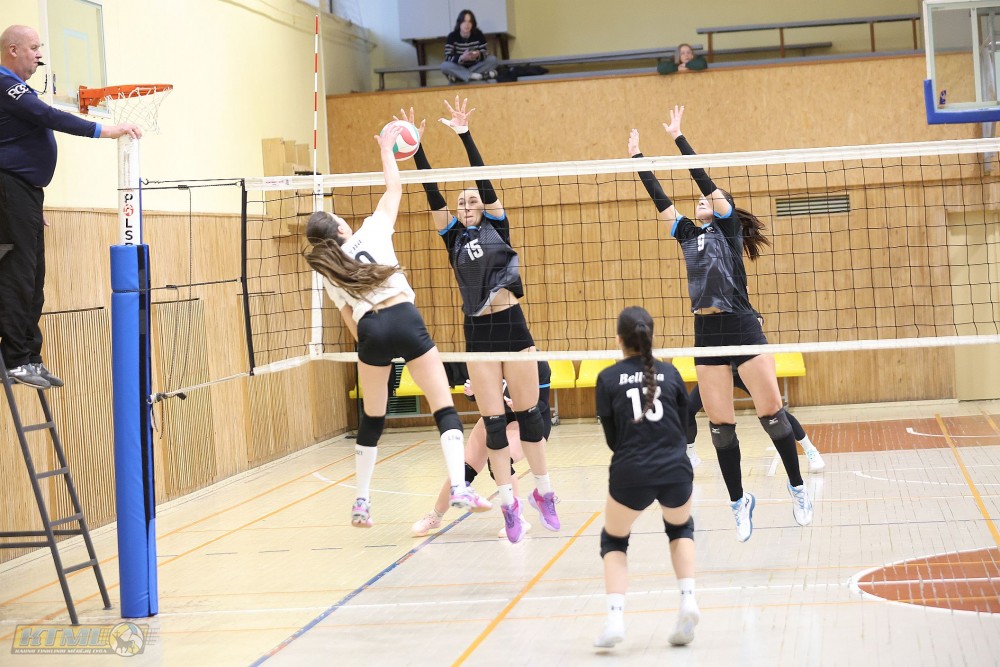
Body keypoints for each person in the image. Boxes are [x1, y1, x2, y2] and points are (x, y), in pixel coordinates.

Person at [629, 105, 813, 543]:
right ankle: (739, 502)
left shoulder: (729, 230)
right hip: (707, 333)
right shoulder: (687, 235)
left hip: (742, 327)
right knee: (721, 429)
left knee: (772, 415)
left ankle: (798, 488)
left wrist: (678, 138)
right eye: (699, 201)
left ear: (722, 205)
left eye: (709, 199)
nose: (701, 202)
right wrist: (638, 160)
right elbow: (661, 201)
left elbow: (704, 180)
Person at [302, 124, 489, 528]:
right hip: (404, 316)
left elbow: (350, 321)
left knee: (373, 417)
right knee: (443, 405)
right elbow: (394, 187)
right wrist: (387, 148)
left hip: (371, 330)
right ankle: (459, 487)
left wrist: (374, 352)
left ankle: (361, 500)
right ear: (340, 229)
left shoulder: (329, 270)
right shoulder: (371, 229)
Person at [403, 100, 560, 544]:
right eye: (462, 202)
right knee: (492, 425)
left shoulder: (497, 225)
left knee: (529, 417)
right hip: (478, 330)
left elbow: (484, 180)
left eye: (473, 199)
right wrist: (416, 149)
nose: (467, 204)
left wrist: (463, 134)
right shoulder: (452, 235)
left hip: (512, 324)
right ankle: (509, 507)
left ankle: (543, 493)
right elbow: (432, 193)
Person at [0, 24, 142, 390]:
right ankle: (14, 360)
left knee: (35, 279)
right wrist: (105, 130)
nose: (40, 54)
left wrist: (29, 198)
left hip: (23, 194)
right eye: (34, 47)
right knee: (18, 276)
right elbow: (50, 116)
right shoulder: (4, 85)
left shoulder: (15, 89)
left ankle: (30, 356)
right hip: (10, 191)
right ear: (13, 49)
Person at [594, 306, 698, 650]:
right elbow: (684, 426)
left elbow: (612, 439)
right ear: (651, 336)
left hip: (631, 471)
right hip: (675, 469)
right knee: (680, 529)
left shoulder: (607, 378)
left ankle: (615, 620)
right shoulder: (671, 372)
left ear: (619, 339)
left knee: (614, 540)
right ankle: (688, 601)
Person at [411, 361, 552, 539]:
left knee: (501, 461)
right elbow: (486, 396)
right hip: (496, 417)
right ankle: (435, 516)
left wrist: (522, 406)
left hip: (528, 419)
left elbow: (543, 403)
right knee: (463, 469)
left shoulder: (535, 361)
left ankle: (517, 519)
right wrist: (473, 393)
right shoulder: (487, 359)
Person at [686, 368, 826, 472]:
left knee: (775, 411)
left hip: (743, 368)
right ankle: (691, 456)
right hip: (717, 370)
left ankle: (810, 450)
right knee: (687, 411)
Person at [441, 10, 499, 84]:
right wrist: (461, 58)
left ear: (473, 24)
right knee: (444, 66)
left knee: (493, 60)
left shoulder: (478, 34)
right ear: (459, 23)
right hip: (459, 67)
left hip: (476, 66)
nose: (467, 25)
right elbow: (448, 57)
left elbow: (485, 53)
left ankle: (460, 77)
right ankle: (475, 76)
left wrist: (478, 55)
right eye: (464, 21)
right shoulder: (452, 36)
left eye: (469, 22)